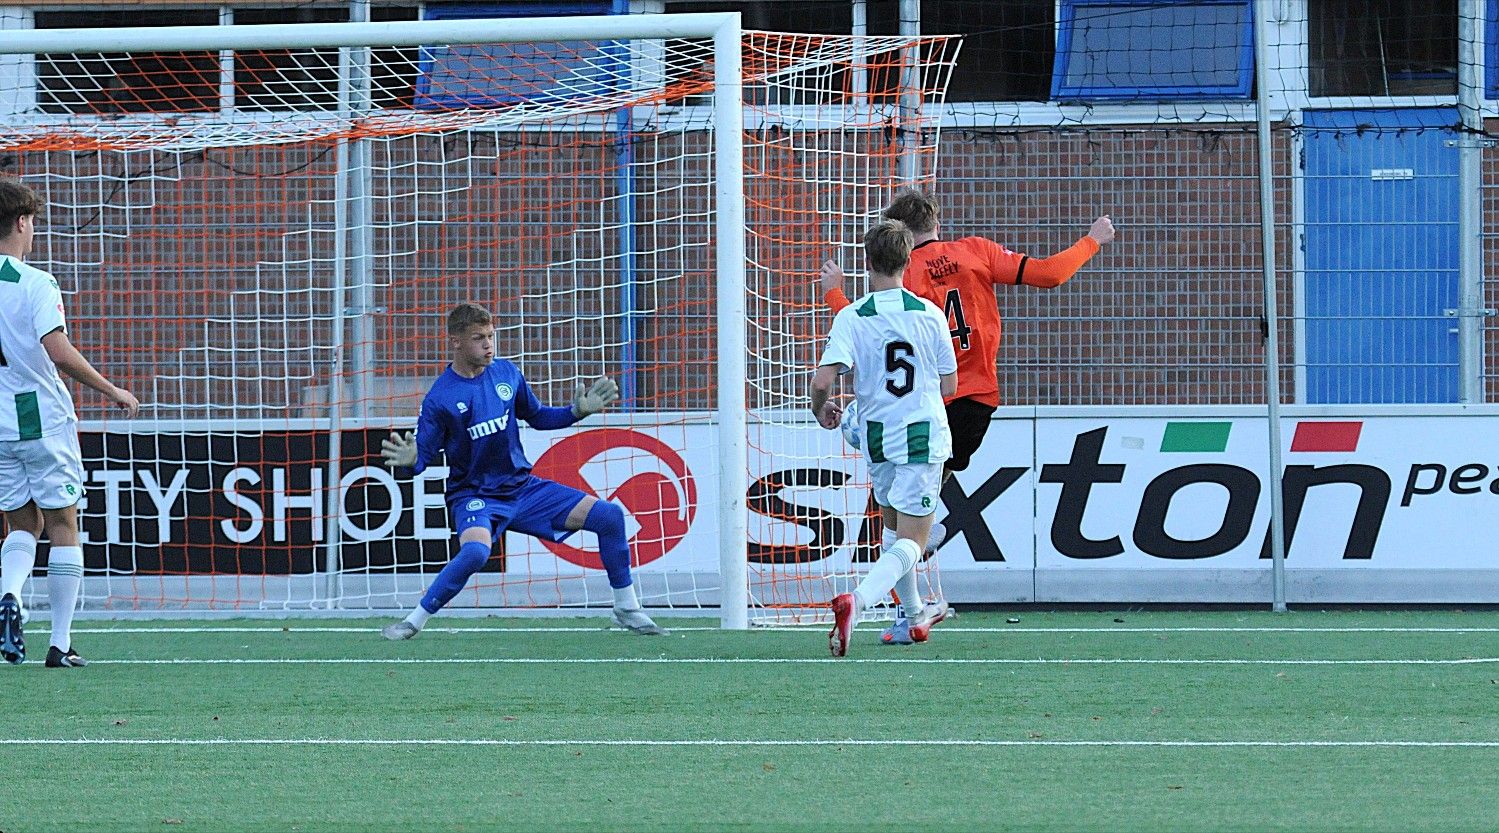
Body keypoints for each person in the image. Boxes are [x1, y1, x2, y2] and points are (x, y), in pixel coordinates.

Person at [821, 189, 1115, 640]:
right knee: (902, 521)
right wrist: (1091, 240)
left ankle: (883, 595)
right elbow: (1050, 274)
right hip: (973, 398)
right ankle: (911, 613)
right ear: (935, 223)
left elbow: (865, 329)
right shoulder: (976, 251)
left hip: (921, 406)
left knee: (901, 524)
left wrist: (835, 294)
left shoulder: (906, 276)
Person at [378, 303, 665, 638]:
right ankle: (414, 621)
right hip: (476, 496)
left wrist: (576, 411)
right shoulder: (441, 398)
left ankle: (627, 608)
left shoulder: (507, 374)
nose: (488, 345)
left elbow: (539, 416)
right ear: (455, 341)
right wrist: (412, 459)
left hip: (522, 489)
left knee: (609, 517)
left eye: (491, 336)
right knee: (475, 552)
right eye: (478, 338)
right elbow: (422, 458)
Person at [0, 176, 140, 667]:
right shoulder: (35, 282)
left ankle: (11, 593)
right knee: (62, 522)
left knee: (20, 523)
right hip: (40, 416)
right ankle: (60, 644)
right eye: (32, 221)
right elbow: (57, 351)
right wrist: (113, 389)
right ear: (21, 222)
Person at [809, 219, 957, 657]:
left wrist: (821, 410)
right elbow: (949, 387)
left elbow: (822, 381)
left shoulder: (852, 317)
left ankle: (915, 618)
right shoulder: (929, 314)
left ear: (868, 262)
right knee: (913, 541)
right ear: (908, 261)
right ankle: (857, 602)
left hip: (876, 441)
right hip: (920, 439)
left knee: (893, 535)